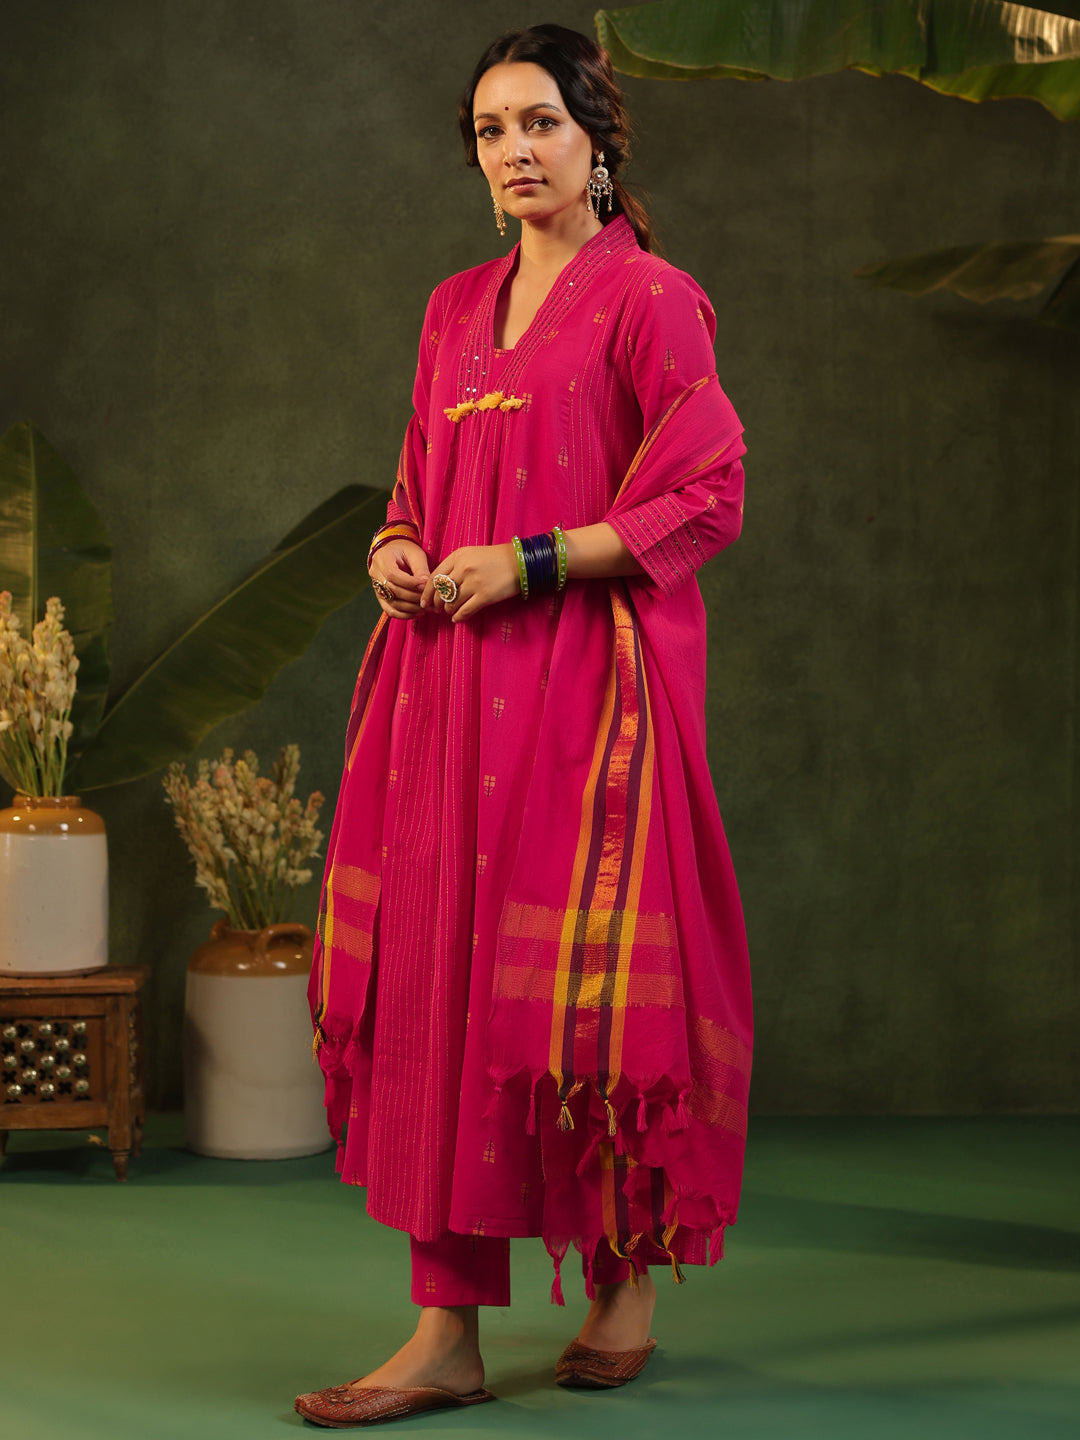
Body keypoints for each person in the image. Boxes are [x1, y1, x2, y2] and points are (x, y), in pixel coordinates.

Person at [296, 22, 752, 1428]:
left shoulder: (653, 300)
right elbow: (417, 482)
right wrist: (397, 548)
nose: (514, 152)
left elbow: (708, 495)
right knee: (442, 984)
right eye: (491, 131)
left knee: (578, 989)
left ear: (596, 138)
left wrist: (534, 561)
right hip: (444, 692)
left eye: (540, 122)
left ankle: (625, 1284)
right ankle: (446, 1331)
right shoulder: (452, 308)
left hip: (587, 701)